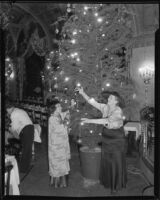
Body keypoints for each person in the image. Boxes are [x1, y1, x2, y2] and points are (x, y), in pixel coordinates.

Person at [75, 87, 127, 193]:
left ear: (116, 101)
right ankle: (108, 181)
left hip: (116, 139)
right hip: (107, 138)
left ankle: (115, 186)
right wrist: (83, 93)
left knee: (115, 162)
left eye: (112, 98)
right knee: (107, 161)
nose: (109, 98)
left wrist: (90, 121)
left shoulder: (118, 110)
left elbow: (108, 120)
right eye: (109, 97)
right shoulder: (105, 107)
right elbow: (92, 102)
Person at [6, 103, 34, 175]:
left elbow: (14, 129)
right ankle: (24, 167)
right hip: (29, 128)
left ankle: (23, 169)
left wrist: (9, 130)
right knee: (27, 149)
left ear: (9, 108)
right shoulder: (18, 110)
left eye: (7, 110)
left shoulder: (14, 114)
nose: (7, 112)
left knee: (26, 149)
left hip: (26, 129)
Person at [48, 100, 71, 188]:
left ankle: (61, 180)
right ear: (53, 108)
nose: (60, 107)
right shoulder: (52, 118)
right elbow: (60, 129)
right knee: (58, 162)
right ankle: (58, 182)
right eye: (58, 106)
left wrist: (71, 106)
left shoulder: (58, 115)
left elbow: (66, 112)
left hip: (62, 144)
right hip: (56, 146)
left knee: (62, 162)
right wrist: (67, 119)